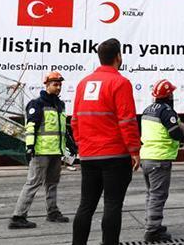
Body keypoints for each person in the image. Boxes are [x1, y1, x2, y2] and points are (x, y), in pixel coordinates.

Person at [71, 39, 141, 245]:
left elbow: (75, 120)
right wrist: (134, 150)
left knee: (86, 206)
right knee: (112, 205)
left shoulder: (83, 84)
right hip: (115, 156)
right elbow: (127, 121)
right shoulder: (120, 83)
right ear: (118, 57)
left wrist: (82, 145)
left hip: (89, 155)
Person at [9, 71, 70, 229]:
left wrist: (70, 143)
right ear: (47, 85)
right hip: (41, 151)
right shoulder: (37, 104)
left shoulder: (60, 105)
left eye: (60, 85)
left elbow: (62, 129)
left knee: (52, 183)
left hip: (56, 151)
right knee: (33, 183)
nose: (58, 87)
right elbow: (31, 127)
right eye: (55, 84)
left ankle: (53, 212)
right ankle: (18, 216)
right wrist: (29, 147)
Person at [139, 79, 184, 242]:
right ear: (169, 95)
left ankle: (152, 223)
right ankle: (152, 231)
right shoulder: (166, 112)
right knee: (158, 195)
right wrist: (181, 127)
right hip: (160, 159)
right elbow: (176, 134)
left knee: (151, 194)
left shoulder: (147, 110)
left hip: (146, 157)